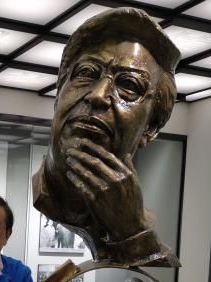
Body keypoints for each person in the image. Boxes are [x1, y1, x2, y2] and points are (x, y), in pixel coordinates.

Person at [32, 7, 180, 268]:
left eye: (129, 85)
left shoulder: (137, 228)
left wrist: (132, 232)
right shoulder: (44, 194)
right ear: (58, 94)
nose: (98, 95)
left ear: (151, 128)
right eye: (87, 73)